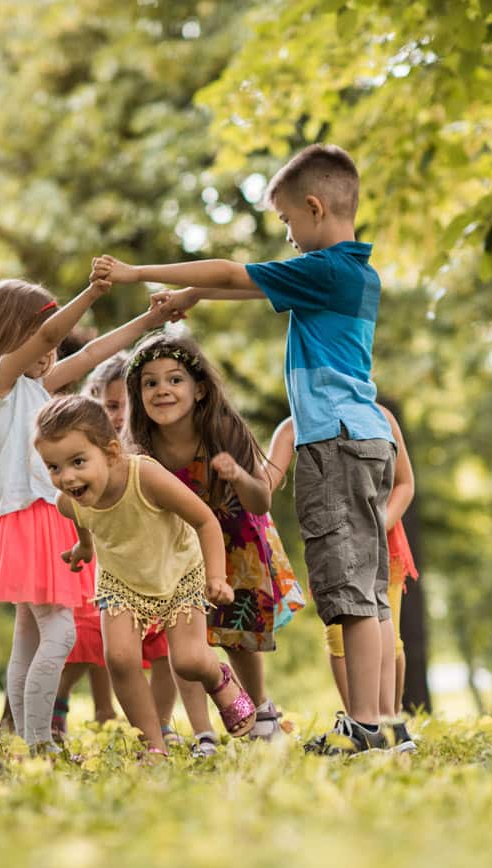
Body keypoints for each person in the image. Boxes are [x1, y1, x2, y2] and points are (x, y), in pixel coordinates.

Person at [93, 143, 397, 753]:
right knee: (366, 591)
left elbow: (235, 273)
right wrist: (194, 297)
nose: (286, 235)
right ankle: (380, 722)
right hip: (365, 438)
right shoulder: (353, 274)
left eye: (287, 220)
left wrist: (136, 273)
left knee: (346, 592)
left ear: (315, 207)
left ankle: (367, 727)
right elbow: (247, 287)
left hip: (334, 441)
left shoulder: (327, 269)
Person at [0, 276, 171, 753]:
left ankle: (26, 739)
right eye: (39, 337)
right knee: (61, 631)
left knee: (29, 638)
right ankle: (39, 742)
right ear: (10, 334)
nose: (50, 350)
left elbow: (90, 354)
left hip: (39, 519)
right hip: (31, 518)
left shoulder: (33, 387)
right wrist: (92, 292)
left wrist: (150, 321)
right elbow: (52, 335)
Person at [33, 395, 257, 756]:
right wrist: (84, 548)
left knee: (188, 660)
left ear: (110, 452)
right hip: (120, 582)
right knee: (120, 659)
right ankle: (153, 746)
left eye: (78, 462)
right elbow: (81, 519)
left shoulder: (145, 475)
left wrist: (217, 577)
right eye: (54, 467)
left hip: (178, 571)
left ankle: (219, 677)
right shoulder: (69, 500)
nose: (67, 477)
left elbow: (204, 520)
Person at [122, 334, 300, 741]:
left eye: (174, 380)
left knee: (239, 637)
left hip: (237, 541)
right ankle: (204, 731)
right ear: (138, 393)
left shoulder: (223, 430)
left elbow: (260, 501)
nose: (162, 390)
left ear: (199, 389)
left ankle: (261, 711)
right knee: (185, 639)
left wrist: (237, 475)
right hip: (181, 550)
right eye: (150, 383)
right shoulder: (141, 449)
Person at [267, 405, 418, 751]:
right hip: (334, 545)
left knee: (388, 637)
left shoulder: (381, 417)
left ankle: (389, 721)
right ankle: (359, 724)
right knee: (339, 636)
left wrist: (374, 529)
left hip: (384, 547)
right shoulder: (295, 426)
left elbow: (405, 484)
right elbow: (266, 479)